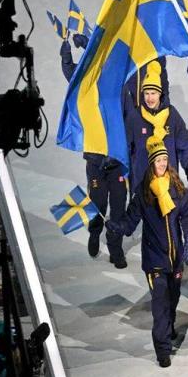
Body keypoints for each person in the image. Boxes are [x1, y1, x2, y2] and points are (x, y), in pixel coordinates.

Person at [105, 137, 188, 368]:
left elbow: (187, 214)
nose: (162, 163)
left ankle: (169, 327)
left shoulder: (176, 187)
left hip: (175, 259)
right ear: (152, 163)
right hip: (155, 260)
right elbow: (130, 222)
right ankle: (162, 350)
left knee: (173, 299)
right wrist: (117, 227)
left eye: (165, 159)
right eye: (158, 160)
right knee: (160, 305)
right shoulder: (144, 193)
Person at [59, 33, 129, 269]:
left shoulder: (117, 82)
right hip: (96, 161)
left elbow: (105, 51)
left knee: (118, 207)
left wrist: (90, 39)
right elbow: (72, 73)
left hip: (116, 160)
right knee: (98, 204)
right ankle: (95, 232)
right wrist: (66, 53)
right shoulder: (86, 83)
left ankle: (116, 250)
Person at [125, 60, 188, 193]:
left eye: (153, 93)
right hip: (142, 185)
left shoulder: (172, 115)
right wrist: (127, 176)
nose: (149, 98)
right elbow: (126, 148)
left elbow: (186, 146)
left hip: (169, 184)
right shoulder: (135, 116)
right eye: (146, 93)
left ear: (160, 94)